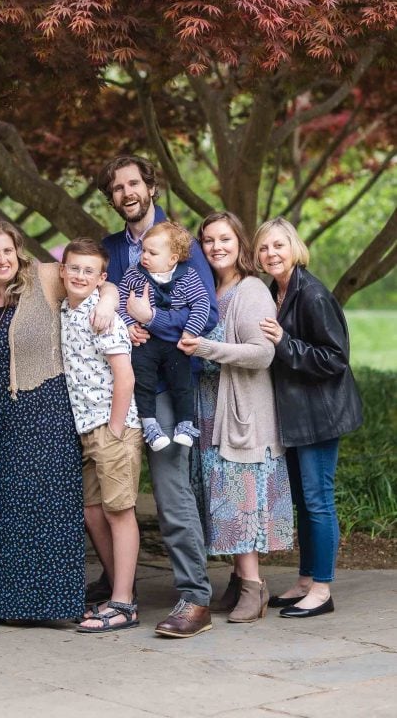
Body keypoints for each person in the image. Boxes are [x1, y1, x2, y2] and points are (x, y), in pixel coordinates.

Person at [0, 219, 118, 621]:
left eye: (8, 250)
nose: (2, 259)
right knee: (4, 512)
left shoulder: (45, 277)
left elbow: (97, 276)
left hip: (46, 410)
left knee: (51, 508)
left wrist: (108, 300)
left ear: (19, 251)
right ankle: (1, 603)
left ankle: (54, 604)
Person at [96, 155, 217, 638]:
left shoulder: (180, 242)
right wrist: (114, 304)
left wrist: (150, 322)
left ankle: (194, 596)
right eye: (117, 187)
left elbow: (202, 315)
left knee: (171, 491)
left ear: (151, 186)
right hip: (116, 387)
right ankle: (118, 588)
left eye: (134, 183)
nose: (126, 192)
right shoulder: (108, 248)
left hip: (168, 386)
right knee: (108, 492)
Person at [179, 211, 293, 623]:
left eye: (224, 238)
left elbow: (262, 353)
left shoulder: (250, 291)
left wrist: (206, 348)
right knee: (219, 500)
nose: (216, 247)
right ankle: (236, 578)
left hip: (241, 410)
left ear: (239, 243)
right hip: (209, 411)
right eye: (208, 240)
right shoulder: (207, 288)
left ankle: (254, 586)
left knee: (239, 499)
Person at [255, 217, 363, 619]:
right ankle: (305, 580)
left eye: (279, 246)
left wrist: (285, 343)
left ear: (294, 247)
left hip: (320, 414)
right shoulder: (275, 292)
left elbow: (335, 358)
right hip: (295, 415)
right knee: (302, 501)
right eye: (264, 248)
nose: (272, 254)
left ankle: (322, 588)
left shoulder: (313, 294)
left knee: (318, 501)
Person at [59, 238, 143, 633]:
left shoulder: (103, 316)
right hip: (85, 429)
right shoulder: (64, 309)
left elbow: (125, 377)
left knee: (119, 511)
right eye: (73, 268)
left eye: (89, 271)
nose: (79, 276)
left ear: (101, 278)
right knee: (93, 512)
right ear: (62, 271)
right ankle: (119, 590)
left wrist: (113, 428)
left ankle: (124, 604)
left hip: (113, 426)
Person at [119, 220, 211, 450]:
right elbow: (121, 301)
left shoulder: (187, 276)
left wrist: (190, 331)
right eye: (143, 250)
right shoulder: (134, 274)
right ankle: (150, 425)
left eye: (152, 252)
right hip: (145, 341)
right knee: (143, 381)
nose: (144, 256)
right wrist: (129, 324)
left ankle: (185, 425)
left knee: (182, 381)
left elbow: (202, 304)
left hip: (174, 342)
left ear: (172, 259)